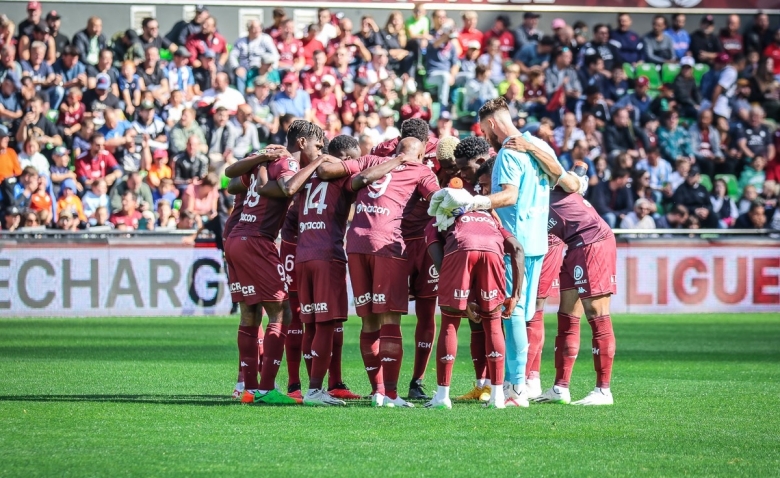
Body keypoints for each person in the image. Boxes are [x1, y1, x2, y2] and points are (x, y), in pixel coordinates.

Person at [431, 97, 583, 406]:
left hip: (515, 242)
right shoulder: (537, 146)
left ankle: (515, 388)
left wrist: (474, 202)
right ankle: (522, 384)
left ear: (489, 124)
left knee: (510, 314)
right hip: (538, 241)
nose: (484, 136)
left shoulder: (508, 155)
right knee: (522, 315)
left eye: (483, 129)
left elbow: (510, 196)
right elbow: (569, 182)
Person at [223, 121, 326, 405]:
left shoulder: (268, 161)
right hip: (258, 240)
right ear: (302, 142)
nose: (320, 152)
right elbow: (289, 188)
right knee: (282, 313)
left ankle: (248, 387)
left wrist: (259, 161)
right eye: (318, 146)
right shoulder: (288, 163)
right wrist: (315, 164)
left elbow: (232, 183)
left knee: (249, 314)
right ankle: (266, 389)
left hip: (236, 238)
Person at [424, 171, 522, 409]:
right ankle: (498, 396)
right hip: (492, 250)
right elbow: (517, 249)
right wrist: (515, 295)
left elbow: (439, 258)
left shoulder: (437, 219)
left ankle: (442, 396)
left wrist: (461, 299)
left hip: (459, 249)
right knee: (493, 322)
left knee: (449, 321)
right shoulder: (490, 215)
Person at [534, 178, 617, 406]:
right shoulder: (533, 191)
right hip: (573, 245)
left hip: (593, 241)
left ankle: (603, 390)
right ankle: (560, 388)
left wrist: (576, 175)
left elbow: (577, 168)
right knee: (567, 315)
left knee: (596, 313)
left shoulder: (549, 179)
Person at [230, 19, 278, 94]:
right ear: (248, 29)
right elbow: (232, 56)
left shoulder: (266, 39)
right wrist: (236, 67)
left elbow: (275, 54)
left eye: (258, 27)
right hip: (246, 69)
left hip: (262, 68)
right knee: (240, 76)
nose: (256, 30)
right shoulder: (240, 41)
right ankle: (242, 99)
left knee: (273, 78)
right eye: (253, 28)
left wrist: (272, 67)